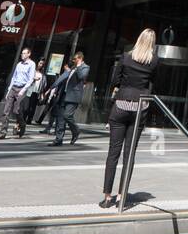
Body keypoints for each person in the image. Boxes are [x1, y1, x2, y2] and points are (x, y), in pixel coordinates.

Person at [100, 29, 158, 209]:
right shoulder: (154, 61)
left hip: (122, 104)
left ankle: (107, 197)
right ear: (152, 43)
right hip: (140, 108)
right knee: (129, 154)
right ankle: (122, 195)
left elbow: (115, 80)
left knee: (113, 153)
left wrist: (122, 86)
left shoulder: (125, 57)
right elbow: (153, 83)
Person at [48, 51, 90, 146]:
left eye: (75, 59)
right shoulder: (73, 67)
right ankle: (58, 139)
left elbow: (81, 77)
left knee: (67, 115)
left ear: (79, 58)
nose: (73, 61)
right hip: (64, 95)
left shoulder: (85, 67)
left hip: (74, 96)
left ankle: (76, 131)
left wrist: (79, 66)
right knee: (60, 118)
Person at [0, 47, 35, 139]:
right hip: (13, 88)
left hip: (22, 89)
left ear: (29, 54)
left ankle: (22, 125)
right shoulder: (19, 64)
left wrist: (22, 91)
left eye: (24, 53)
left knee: (17, 111)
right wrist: (9, 90)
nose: (22, 55)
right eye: (22, 53)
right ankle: (2, 133)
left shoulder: (31, 64)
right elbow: (14, 77)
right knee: (6, 111)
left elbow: (30, 80)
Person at [24, 60, 45, 125]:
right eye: (40, 63)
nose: (40, 65)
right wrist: (33, 79)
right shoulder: (32, 71)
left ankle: (29, 120)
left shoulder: (42, 74)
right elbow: (27, 79)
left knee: (33, 107)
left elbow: (43, 84)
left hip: (36, 92)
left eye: (42, 64)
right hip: (29, 90)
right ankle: (23, 118)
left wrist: (41, 93)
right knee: (27, 107)